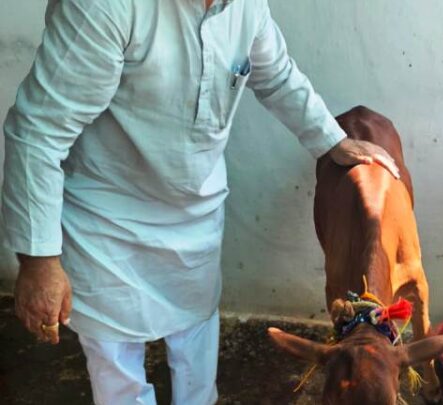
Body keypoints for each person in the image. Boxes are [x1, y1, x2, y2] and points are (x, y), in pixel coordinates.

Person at [2, 0, 399, 403]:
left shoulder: (245, 7)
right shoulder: (103, 7)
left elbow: (277, 76)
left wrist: (332, 140)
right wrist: (39, 262)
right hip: (107, 217)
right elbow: (38, 132)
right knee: (115, 362)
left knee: (195, 339)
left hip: (195, 211)